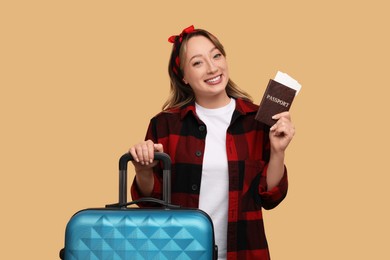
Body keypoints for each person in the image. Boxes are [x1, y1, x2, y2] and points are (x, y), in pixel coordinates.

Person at [129, 25, 295, 260]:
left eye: (216, 55)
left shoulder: (257, 120)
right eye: (197, 62)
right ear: (183, 76)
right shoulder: (165, 124)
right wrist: (142, 170)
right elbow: (151, 204)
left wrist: (278, 152)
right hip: (179, 253)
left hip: (244, 253)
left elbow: (271, 198)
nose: (212, 67)